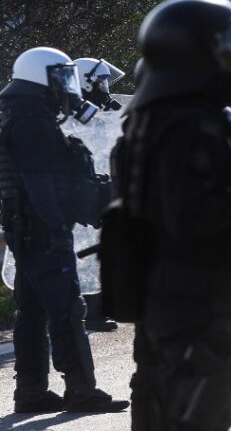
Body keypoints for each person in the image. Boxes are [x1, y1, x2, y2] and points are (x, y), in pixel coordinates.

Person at [113, 0, 231, 430]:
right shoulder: (187, 124)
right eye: (229, 47)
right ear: (197, 53)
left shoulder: (166, 117)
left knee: (169, 408)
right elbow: (192, 217)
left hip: (182, 295)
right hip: (193, 301)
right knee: (193, 414)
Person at [0, 47, 128, 413]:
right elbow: (38, 181)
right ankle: (81, 391)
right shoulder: (32, 121)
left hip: (26, 227)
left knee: (33, 310)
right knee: (67, 308)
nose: (66, 86)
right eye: (61, 77)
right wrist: (56, 227)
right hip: (40, 228)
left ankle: (30, 392)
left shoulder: (22, 114)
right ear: (42, 77)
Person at [75, 57, 127, 333]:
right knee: (85, 253)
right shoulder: (74, 112)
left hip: (102, 189)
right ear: (85, 82)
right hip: (83, 194)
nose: (105, 88)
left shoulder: (98, 111)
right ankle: (92, 313)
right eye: (101, 82)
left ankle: (101, 308)